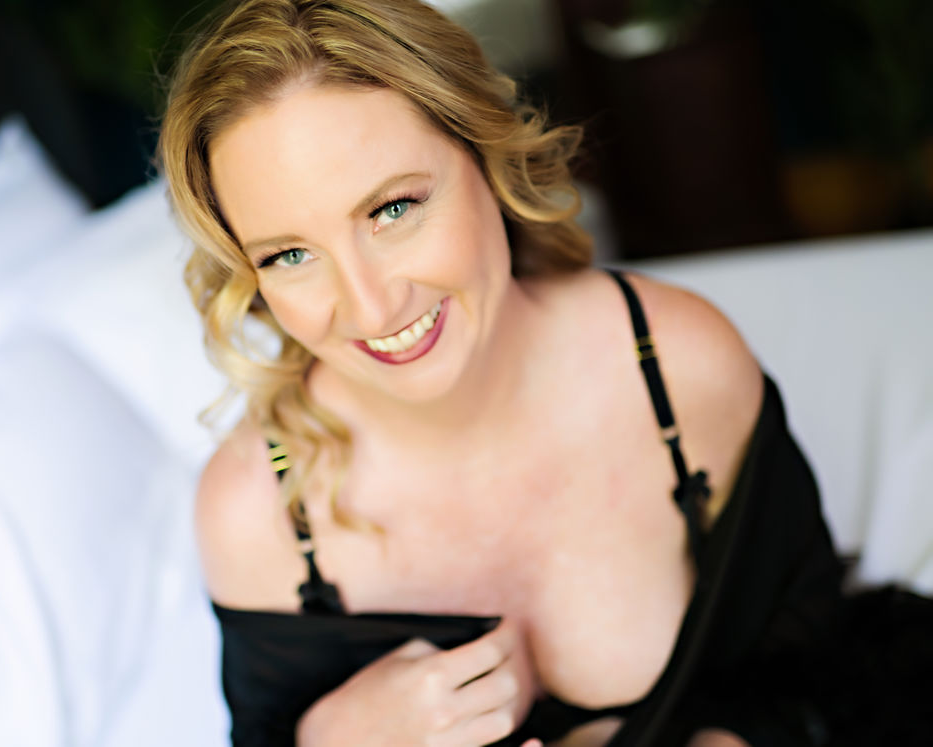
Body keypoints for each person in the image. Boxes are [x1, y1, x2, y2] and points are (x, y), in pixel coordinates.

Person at [158, 1, 848, 744]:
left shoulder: (676, 366)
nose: (369, 305)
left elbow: (821, 677)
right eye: (288, 254)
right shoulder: (256, 511)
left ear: (485, 155)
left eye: (393, 208)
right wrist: (335, 735)